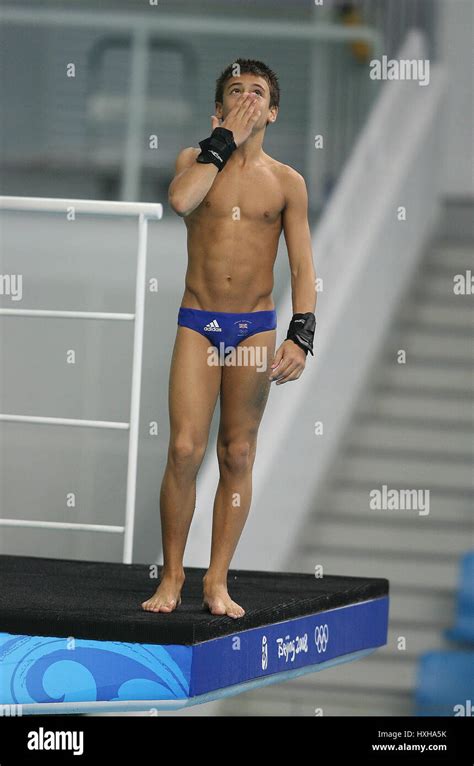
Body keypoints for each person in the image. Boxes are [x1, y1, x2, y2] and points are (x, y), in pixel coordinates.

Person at [141, 58, 317, 619]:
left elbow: (305, 266)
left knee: (237, 452)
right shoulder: (194, 161)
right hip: (199, 322)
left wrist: (301, 335)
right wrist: (224, 140)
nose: (246, 99)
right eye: (234, 92)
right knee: (185, 449)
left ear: (273, 111)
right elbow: (181, 201)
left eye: (257, 93)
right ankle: (172, 576)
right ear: (218, 109)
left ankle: (216, 580)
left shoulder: (287, 182)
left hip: (254, 330)